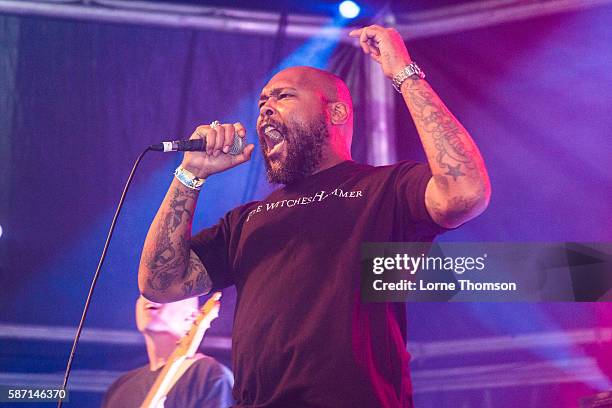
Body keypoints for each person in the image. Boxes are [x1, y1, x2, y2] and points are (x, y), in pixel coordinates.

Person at [138, 25, 491, 407]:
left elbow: (466, 191)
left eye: (283, 96)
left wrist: (404, 74)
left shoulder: (383, 189)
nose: (265, 109)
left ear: (335, 111)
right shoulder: (246, 221)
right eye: (261, 104)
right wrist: (190, 175)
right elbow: (160, 283)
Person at [102, 295, 234, 408]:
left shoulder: (208, 374)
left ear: (193, 316)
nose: (150, 296)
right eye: (145, 292)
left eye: (164, 289)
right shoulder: (121, 387)